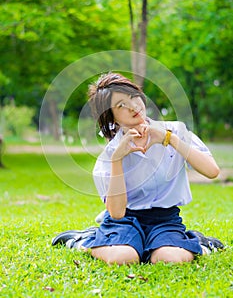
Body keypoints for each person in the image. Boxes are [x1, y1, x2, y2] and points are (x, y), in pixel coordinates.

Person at [52, 72, 224, 265]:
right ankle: (82, 240)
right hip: (125, 220)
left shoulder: (175, 130)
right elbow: (117, 213)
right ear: (112, 118)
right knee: (124, 258)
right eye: (121, 105)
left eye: (133, 97)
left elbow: (212, 171)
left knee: (169, 259)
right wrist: (117, 159)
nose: (133, 106)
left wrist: (169, 139)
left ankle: (200, 244)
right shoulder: (110, 154)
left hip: (165, 218)